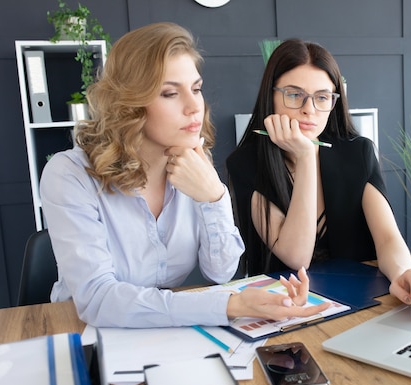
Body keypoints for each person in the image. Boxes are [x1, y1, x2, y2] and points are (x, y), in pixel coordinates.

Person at [40, 23, 329, 328]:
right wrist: (228, 305)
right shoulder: (69, 175)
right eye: (169, 93)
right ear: (129, 104)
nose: (194, 107)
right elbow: (98, 300)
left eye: (196, 89)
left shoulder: (193, 162)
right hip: (82, 332)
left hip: (168, 336)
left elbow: (222, 272)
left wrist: (213, 197)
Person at [227, 39, 411, 316]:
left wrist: (404, 272)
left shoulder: (358, 152)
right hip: (285, 313)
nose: (310, 109)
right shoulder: (245, 163)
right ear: (270, 96)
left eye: (322, 97)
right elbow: (297, 258)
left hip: (364, 306)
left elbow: (388, 238)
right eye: (294, 95)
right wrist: (307, 157)